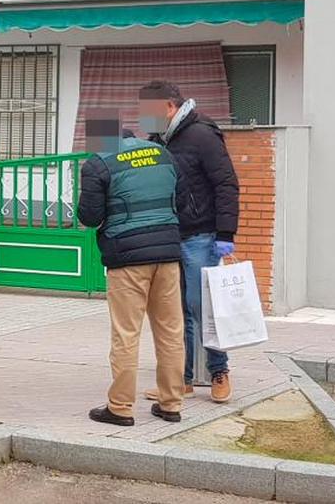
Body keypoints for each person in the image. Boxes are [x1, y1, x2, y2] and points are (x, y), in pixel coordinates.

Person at [78, 118, 186, 427]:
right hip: (167, 254)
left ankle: (121, 407)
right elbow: (182, 202)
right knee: (170, 332)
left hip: (127, 259)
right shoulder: (161, 153)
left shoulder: (98, 164)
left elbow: (90, 215)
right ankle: (170, 404)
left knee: (126, 334)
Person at [139, 81, 240, 404]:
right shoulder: (158, 142)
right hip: (169, 237)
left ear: (169, 106)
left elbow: (226, 184)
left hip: (201, 237)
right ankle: (179, 380)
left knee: (203, 307)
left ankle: (219, 372)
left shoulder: (201, 135)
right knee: (175, 311)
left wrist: (225, 233)